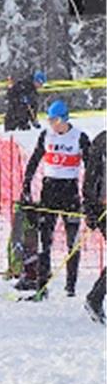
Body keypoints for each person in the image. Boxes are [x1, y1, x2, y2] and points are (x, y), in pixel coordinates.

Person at [22, 99, 92, 297]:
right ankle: (41, 284)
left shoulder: (79, 137)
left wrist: (89, 196)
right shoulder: (46, 135)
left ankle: (71, 287)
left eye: (55, 120)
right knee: (45, 242)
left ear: (64, 118)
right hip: (49, 192)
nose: (52, 124)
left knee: (73, 243)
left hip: (70, 193)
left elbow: (90, 168)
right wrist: (26, 186)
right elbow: (34, 161)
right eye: (50, 119)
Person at [84, 130, 106, 324]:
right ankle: (95, 297)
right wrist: (90, 209)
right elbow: (90, 178)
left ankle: (95, 297)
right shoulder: (102, 141)